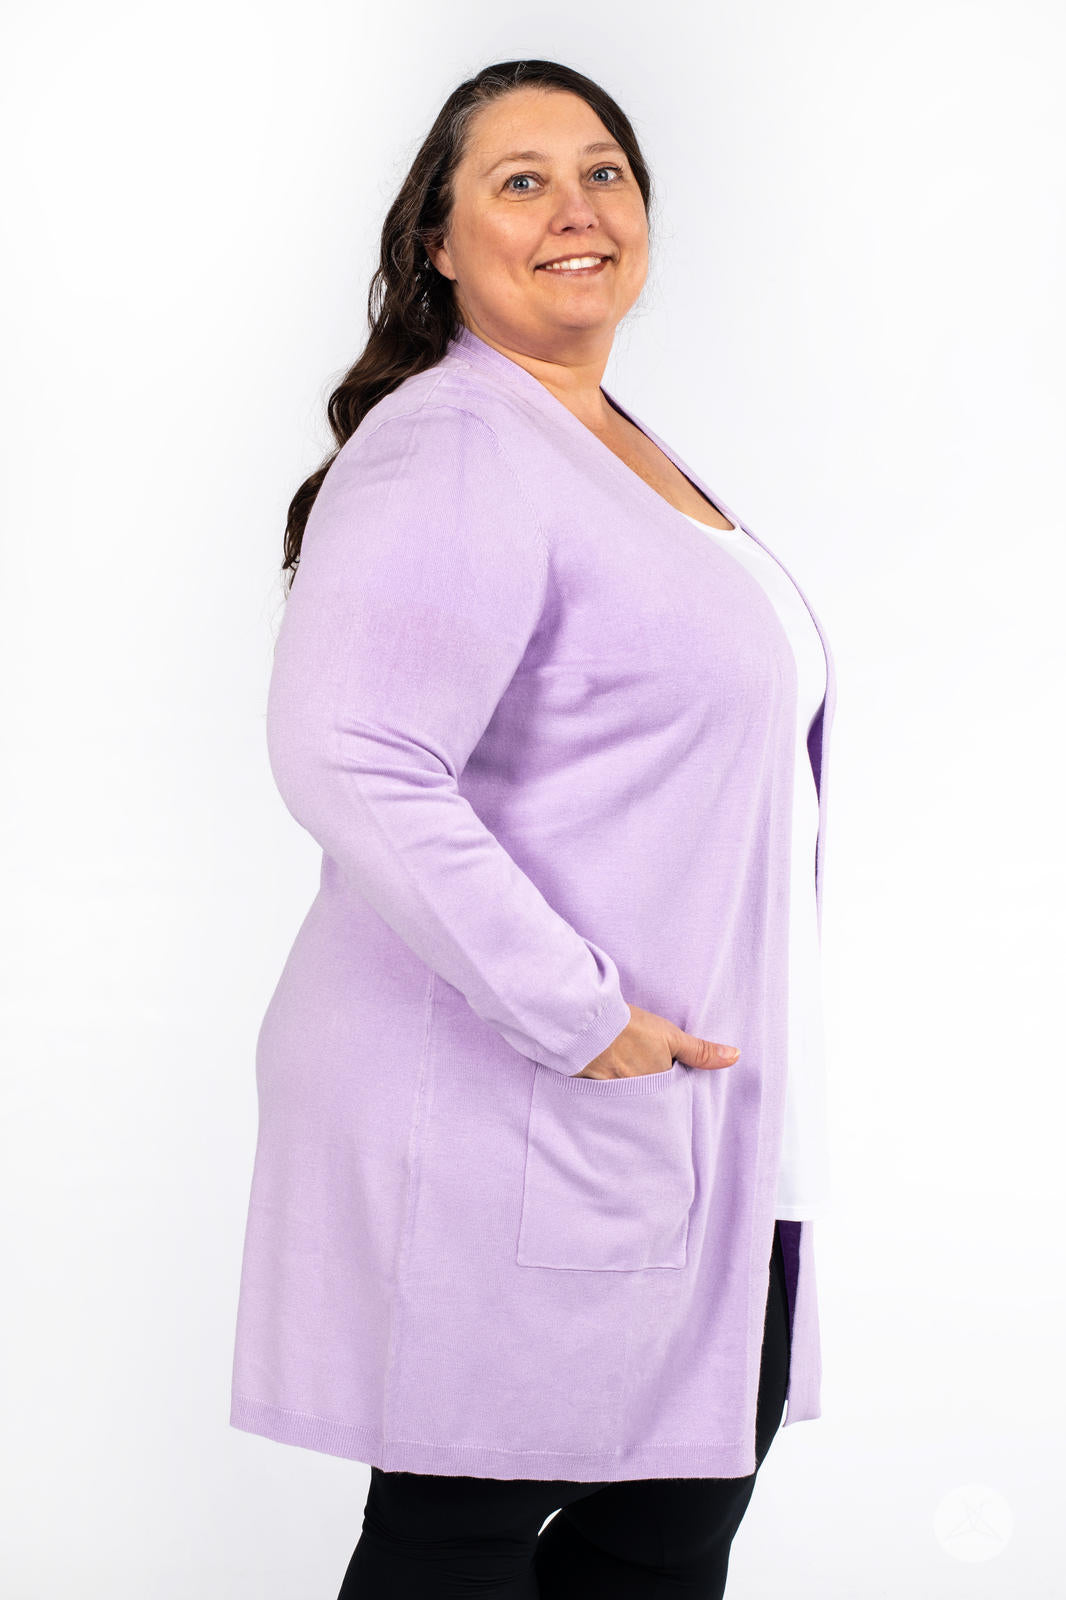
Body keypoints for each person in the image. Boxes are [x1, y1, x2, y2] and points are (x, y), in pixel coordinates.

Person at [229, 57, 838, 1598]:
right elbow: (348, 750)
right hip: (522, 1104)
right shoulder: (453, 441)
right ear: (439, 243)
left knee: (666, 1533)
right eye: (521, 181)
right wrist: (580, 1017)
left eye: (602, 174)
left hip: (698, 1115)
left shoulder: (611, 443)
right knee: (468, 1536)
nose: (575, 209)